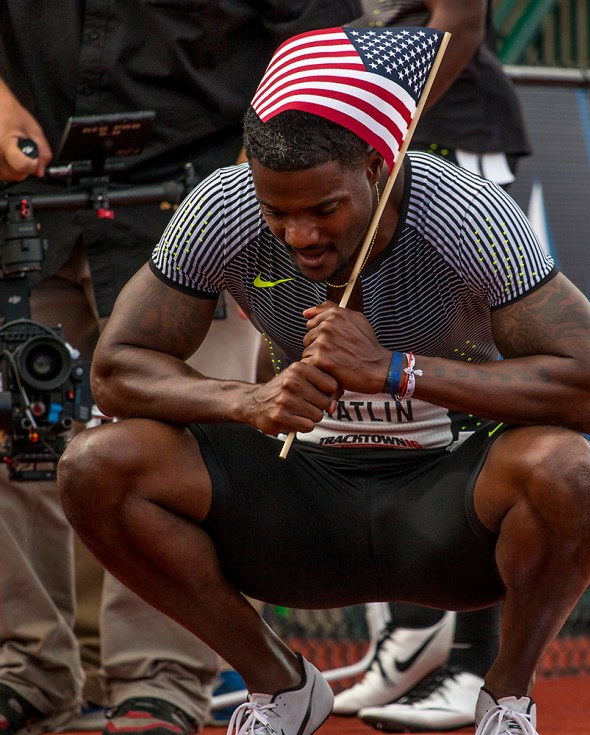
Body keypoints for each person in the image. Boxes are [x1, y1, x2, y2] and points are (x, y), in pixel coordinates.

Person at [55, 25, 590, 735]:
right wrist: (248, 401)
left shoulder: (467, 215)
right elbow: (115, 371)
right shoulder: (222, 207)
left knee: (571, 471)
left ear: (380, 168)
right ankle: (281, 686)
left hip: (449, 507)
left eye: (324, 208)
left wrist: (397, 370)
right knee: (96, 464)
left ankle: (507, 696)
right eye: (276, 211)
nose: (299, 236)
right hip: (300, 505)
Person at [0, 5, 358, 735]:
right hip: (26, 204)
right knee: (16, 441)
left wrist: (256, 183)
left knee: (190, 449)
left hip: (196, 200)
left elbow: (328, 35)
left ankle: (160, 680)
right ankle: (26, 670)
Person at [320, 2, 533, 732]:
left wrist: (372, 128)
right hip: (372, 143)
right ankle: (414, 633)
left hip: (443, 133)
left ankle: (473, 661)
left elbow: (460, 23)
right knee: (387, 389)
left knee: (469, 381)